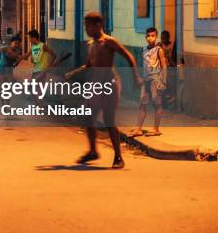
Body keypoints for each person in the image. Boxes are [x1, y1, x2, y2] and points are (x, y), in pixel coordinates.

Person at [65, 11, 142, 169]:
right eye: (85, 26)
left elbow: (129, 56)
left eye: (88, 26)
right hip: (96, 85)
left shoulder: (109, 42)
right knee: (87, 116)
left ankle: (118, 157)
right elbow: (89, 65)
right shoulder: (90, 44)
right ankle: (93, 151)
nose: (86, 29)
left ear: (98, 25)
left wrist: (136, 77)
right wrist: (74, 72)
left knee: (109, 120)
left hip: (110, 84)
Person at [129, 27, 168, 137]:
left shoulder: (158, 50)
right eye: (148, 36)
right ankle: (138, 129)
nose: (150, 38)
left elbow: (164, 65)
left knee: (157, 104)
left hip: (156, 79)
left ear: (156, 37)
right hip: (146, 80)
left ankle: (156, 129)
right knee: (142, 103)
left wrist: (164, 81)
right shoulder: (144, 50)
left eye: (152, 36)